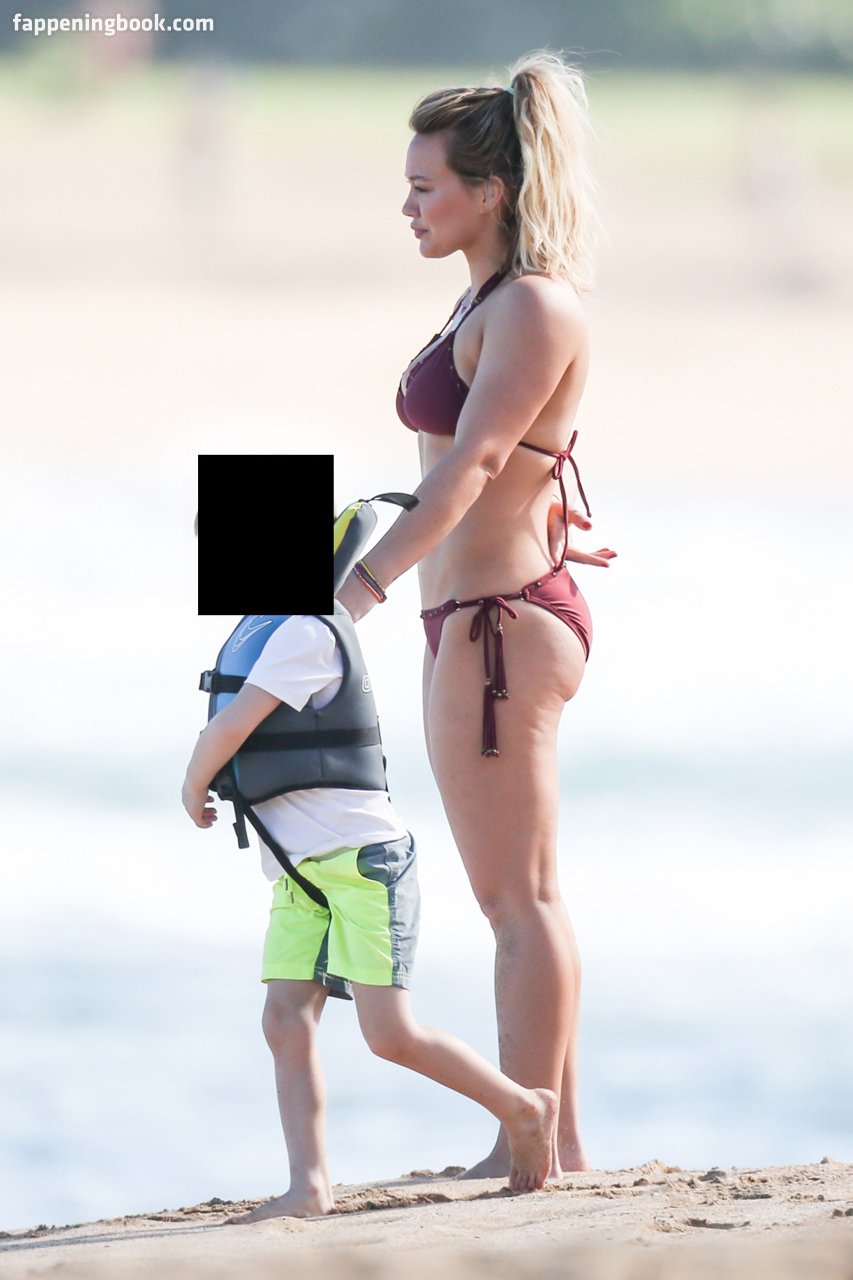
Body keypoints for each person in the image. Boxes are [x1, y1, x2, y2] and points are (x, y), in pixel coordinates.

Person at [336, 51, 616, 1179]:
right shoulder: (487, 300)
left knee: (518, 899)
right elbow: (493, 465)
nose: (408, 207)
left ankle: (524, 1144)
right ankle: (556, 1139)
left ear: (488, 191)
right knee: (518, 895)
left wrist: (357, 590)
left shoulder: (536, 303)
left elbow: (479, 462)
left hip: (500, 625)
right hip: (473, 613)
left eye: (426, 187)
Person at [182, 605, 556, 1219]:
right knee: (284, 1020)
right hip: (299, 875)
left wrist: (192, 785)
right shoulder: (266, 629)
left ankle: (524, 1107)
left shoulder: (306, 633)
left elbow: (233, 725)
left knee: (390, 1035)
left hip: (363, 865)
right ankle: (309, 1186)